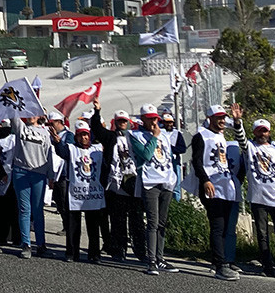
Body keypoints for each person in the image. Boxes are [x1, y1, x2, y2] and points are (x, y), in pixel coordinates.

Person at [191, 104, 244, 281]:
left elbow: (241, 139)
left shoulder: (220, 136)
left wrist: (237, 121)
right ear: (210, 118)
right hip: (211, 186)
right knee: (218, 225)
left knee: (225, 226)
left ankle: (220, 261)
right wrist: (205, 180)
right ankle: (220, 265)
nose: (222, 121)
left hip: (225, 187)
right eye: (218, 118)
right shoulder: (201, 136)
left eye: (223, 117)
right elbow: (197, 161)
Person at [236, 115, 275, 278]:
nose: (262, 134)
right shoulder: (250, 148)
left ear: (269, 132)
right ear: (254, 132)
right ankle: (267, 266)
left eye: (265, 131)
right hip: (258, 198)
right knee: (262, 234)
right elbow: (241, 139)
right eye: (259, 131)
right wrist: (239, 122)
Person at [128, 104, 180, 275]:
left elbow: (168, 156)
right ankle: (151, 260)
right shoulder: (135, 135)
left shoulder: (164, 135)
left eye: (155, 118)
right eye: (150, 118)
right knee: (152, 221)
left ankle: (160, 257)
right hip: (150, 182)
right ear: (143, 119)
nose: (153, 121)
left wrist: (173, 178)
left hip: (166, 181)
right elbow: (146, 155)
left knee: (162, 222)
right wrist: (155, 137)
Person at [57, 118, 107, 263]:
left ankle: (94, 254)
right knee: (73, 225)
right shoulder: (71, 149)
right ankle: (72, 253)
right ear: (76, 136)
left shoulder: (97, 149)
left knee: (93, 226)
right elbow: (61, 152)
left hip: (93, 193)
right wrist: (57, 142)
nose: (84, 137)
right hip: (76, 193)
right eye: (80, 135)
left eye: (86, 134)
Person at [11, 110, 54, 258]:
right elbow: (13, 115)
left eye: (34, 113)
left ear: (39, 116)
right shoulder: (21, 127)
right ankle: (26, 243)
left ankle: (41, 243)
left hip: (39, 173)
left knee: (37, 210)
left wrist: (51, 175)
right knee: (24, 209)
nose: (31, 116)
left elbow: (49, 153)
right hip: (21, 171)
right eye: (28, 113)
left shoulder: (45, 132)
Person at [103, 110, 141, 262]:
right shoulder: (111, 138)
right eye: (119, 121)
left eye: (124, 121)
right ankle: (119, 250)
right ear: (115, 122)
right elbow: (99, 131)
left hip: (133, 182)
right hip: (116, 185)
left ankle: (140, 251)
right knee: (118, 221)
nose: (122, 124)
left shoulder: (135, 137)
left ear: (129, 123)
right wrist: (98, 111)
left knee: (136, 221)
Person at [0, 117, 20, 247]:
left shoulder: (14, 139)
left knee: (14, 210)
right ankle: (1, 236)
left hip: (12, 178)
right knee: (0, 210)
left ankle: (16, 238)